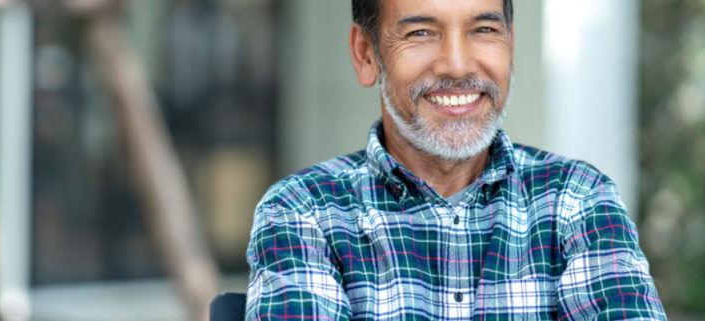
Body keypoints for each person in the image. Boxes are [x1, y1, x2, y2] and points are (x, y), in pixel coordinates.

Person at [245, 0, 667, 319]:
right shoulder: (304, 212)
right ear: (366, 54)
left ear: (510, 43)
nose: (457, 64)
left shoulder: (578, 199)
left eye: (483, 29)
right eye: (421, 33)